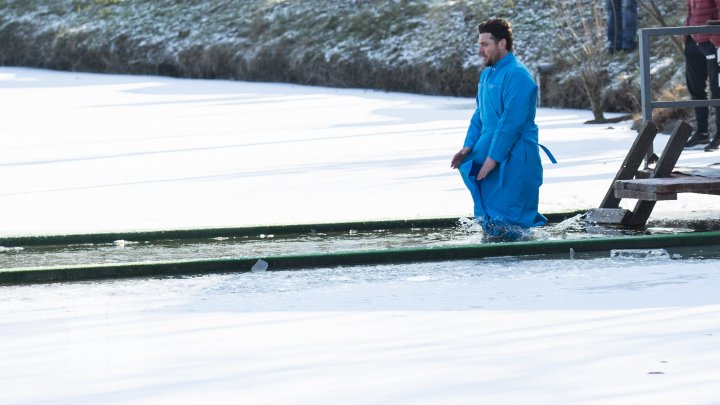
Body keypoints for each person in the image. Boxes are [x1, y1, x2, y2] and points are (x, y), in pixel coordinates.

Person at [450, 18, 555, 241]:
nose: (480, 50)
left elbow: (511, 122)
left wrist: (493, 159)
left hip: (515, 157)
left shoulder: (517, 75)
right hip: (486, 151)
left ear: (502, 43)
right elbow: (480, 114)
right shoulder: (487, 75)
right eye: (479, 44)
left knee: (513, 219)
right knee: (490, 220)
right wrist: (468, 146)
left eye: (485, 44)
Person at [684, 0, 720, 151]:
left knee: (717, 89)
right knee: (695, 86)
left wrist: (716, 39)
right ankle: (702, 132)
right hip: (693, 40)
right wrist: (686, 34)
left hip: (711, 41)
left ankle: (719, 134)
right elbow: (690, 9)